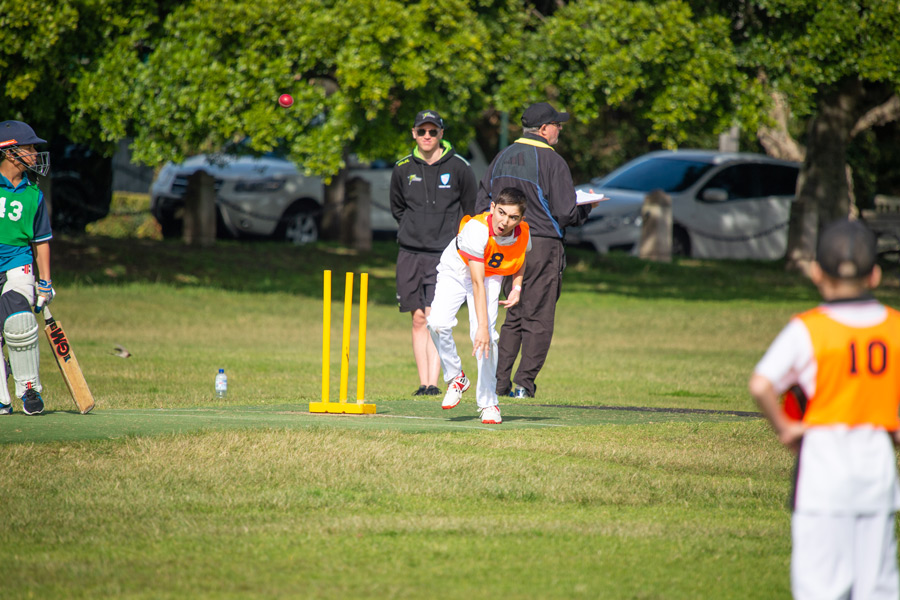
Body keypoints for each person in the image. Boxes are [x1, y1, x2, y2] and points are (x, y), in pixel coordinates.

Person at [749, 219, 900, 600]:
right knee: (877, 588)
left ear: (817, 273)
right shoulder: (894, 328)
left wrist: (785, 428)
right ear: (876, 275)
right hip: (877, 476)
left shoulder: (810, 329)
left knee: (820, 588)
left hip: (822, 476)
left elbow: (761, 384)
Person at [474, 102, 597, 399]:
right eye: (558, 124)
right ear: (544, 129)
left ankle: (499, 383)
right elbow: (567, 212)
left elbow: (482, 201)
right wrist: (588, 208)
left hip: (507, 243)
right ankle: (523, 385)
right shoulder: (553, 161)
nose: (560, 129)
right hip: (542, 243)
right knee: (538, 316)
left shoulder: (501, 156)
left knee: (513, 312)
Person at [391, 109, 476, 397]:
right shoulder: (403, 168)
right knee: (417, 317)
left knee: (434, 316)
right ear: (414, 134)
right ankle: (424, 382)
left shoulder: (460, 166)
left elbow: (470, 208)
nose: (427, 136)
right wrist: (412, 228)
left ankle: (436, 383)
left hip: (445, 255)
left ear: (441, 134)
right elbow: (397, 208)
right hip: (410, 252)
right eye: (422, 131)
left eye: (433, 131)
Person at [427, 187, 530, 425]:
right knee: (437, 323)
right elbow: (475, 282)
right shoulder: (477, 229)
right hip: (457, 268)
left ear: (521, 219)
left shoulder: (523, 232)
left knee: (487, 340)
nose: (505, 222)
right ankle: (456, 377)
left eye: (513, 217)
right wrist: (481, 326)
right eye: (501, 213)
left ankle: (489, 402)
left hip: (491, 275)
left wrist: (516, 288)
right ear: (492, 208)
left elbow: (520, 258)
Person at [0, 120, 55, 416]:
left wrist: (44, 281)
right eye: (30, 147)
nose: (35, 153)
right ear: (10, 153)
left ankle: (29, 388)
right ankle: (2, 399)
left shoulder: (34, 195)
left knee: (18, 319)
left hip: (18, 265)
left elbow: (42, 241)